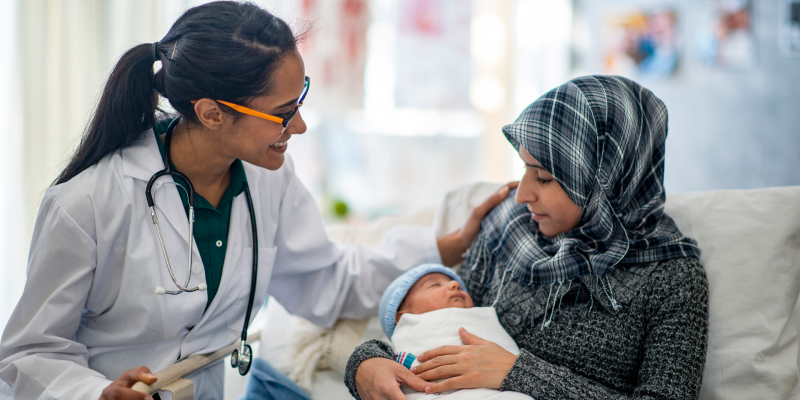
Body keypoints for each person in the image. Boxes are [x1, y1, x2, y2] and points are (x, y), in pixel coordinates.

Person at [0, 2, 514, 399]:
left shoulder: (269, 181)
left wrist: (443, 249)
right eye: (283, 112)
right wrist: (94, 392)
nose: (301, 126)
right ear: (212, 113)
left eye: (301, 100)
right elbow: (28, 351)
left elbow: (326, 280)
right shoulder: (87, 202)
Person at [346, 75, 709, 400]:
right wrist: (365, 363)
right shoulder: (507, 228)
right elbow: (438, 323)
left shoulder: (672, 277)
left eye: (545, 176)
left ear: (605, 179)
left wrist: (515, 372)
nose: (522, 194)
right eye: (524, 168)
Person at [378, 264, 533, 400]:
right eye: (435, 285)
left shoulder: (484, 318)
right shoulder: (407, 335)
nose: (455, 284)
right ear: (402, 317)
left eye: (456, 283)